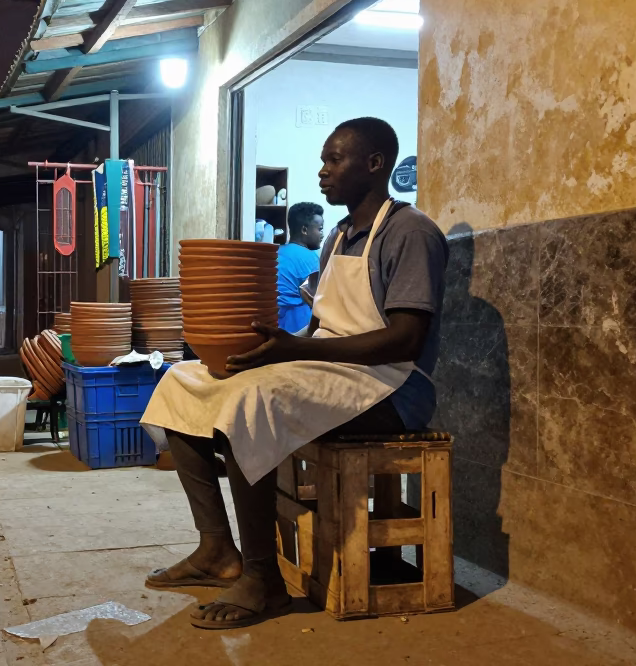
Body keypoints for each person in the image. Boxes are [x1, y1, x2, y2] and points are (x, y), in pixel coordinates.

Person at [141, 117, 448, 629]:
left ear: (375, 164)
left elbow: (406, 339)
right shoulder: (338, 237)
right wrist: (277, 347)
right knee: (185, 380)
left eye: (334, 160)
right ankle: (217, 548)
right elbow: (321, 329)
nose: (322, 172)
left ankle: (264, 579)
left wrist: (291, 354)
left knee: (251, 400)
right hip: (333, 372)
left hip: (392, 386)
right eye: (324, 161)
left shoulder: (410, 232)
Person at [275, 202, 324, 334]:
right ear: (304, 230)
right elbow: (321, 299)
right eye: (320, 229)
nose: (323, 234)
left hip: (276, 322)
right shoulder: (310, 258)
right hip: (297, 325)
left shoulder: (278, 251)